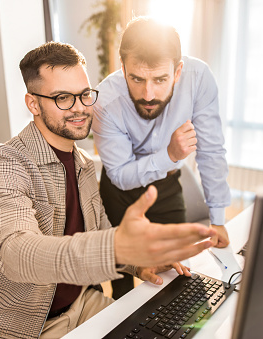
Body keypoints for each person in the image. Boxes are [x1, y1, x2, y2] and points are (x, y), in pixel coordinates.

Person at [0, 41, 216, 339]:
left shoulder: (82, 164)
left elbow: (98, 230)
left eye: (84, 95)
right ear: (33, 104)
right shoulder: (2, 162)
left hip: (81, 305)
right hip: (19, 325)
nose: (80, 107)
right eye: (63, 98)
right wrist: (115, 247)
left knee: (172, 329)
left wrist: (138, 261)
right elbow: (16, 254)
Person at [92, 16, 232, 299]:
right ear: (123, 68)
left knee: (179, 269)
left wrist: (217, 219)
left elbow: (211, 150)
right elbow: (120, 174)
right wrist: (169, 155)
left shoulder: (198, 78)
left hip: (166, 186)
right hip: (119, 189)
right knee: (122, 279)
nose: (148, 93)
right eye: (136, 78)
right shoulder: (105, 100)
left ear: (178, 71)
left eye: (160, 79)